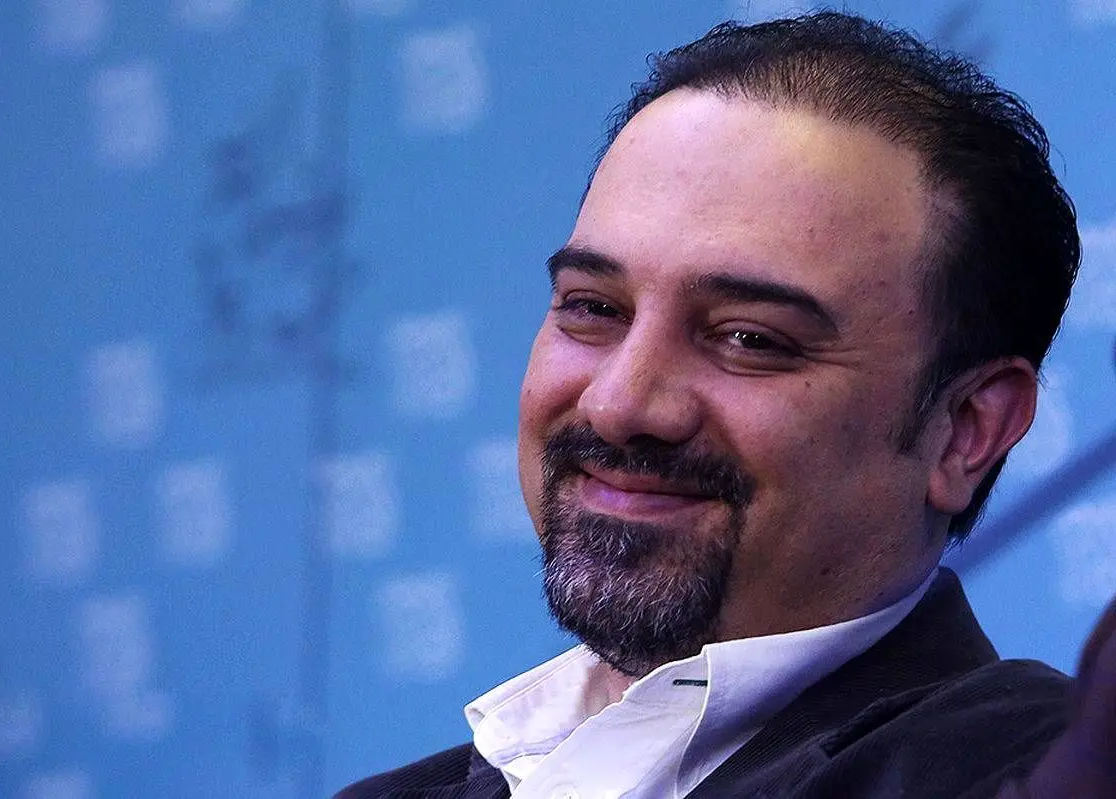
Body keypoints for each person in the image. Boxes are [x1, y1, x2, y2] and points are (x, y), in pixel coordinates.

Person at [338, 11, 1115, 798]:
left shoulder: (1037, 770)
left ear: (965, 430)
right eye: (594, 308)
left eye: (748, 338)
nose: (619, 403)